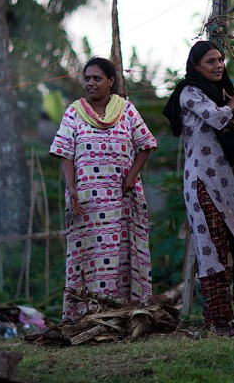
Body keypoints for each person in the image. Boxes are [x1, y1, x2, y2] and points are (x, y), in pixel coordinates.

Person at [163, 41, 234, 335]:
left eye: (220, 60)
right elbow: (216, 117)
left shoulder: (226, 92)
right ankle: (217, 320)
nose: (218, 66)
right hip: (204, 180)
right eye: (210, 61)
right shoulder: (189, 92)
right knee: (213, 246)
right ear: (196, 67)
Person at [50, 57, 157, 320]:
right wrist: (72, 190)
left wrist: (131, 176)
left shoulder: (127, 110)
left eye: (97, 78)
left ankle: (125, 313)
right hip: (86, 203)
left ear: (111, 81)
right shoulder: (74, 112)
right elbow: (65, 154)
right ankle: (86, 315)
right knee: (89, 257)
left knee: (121, 256)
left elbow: (146, 144)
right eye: (87, 78)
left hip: (122, 200)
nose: (90, 83)